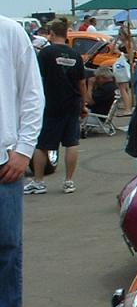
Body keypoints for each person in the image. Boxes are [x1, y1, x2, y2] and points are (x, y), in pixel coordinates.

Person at [0, 14, 44, 307]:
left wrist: (24, 150)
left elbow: (32, 94)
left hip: (4, 162)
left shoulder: (9, 32)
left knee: (7, 249)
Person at [24, 19, 88, 195]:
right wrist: (83, 104)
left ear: (51, 34)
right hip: (72, 102)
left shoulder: (45, 53)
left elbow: (36, 78)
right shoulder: (75, 55)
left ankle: (39, 181)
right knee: (71, 142)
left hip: (51, 103)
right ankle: (69, 181)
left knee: (42, 144)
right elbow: (82, 83)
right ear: (66, 34)